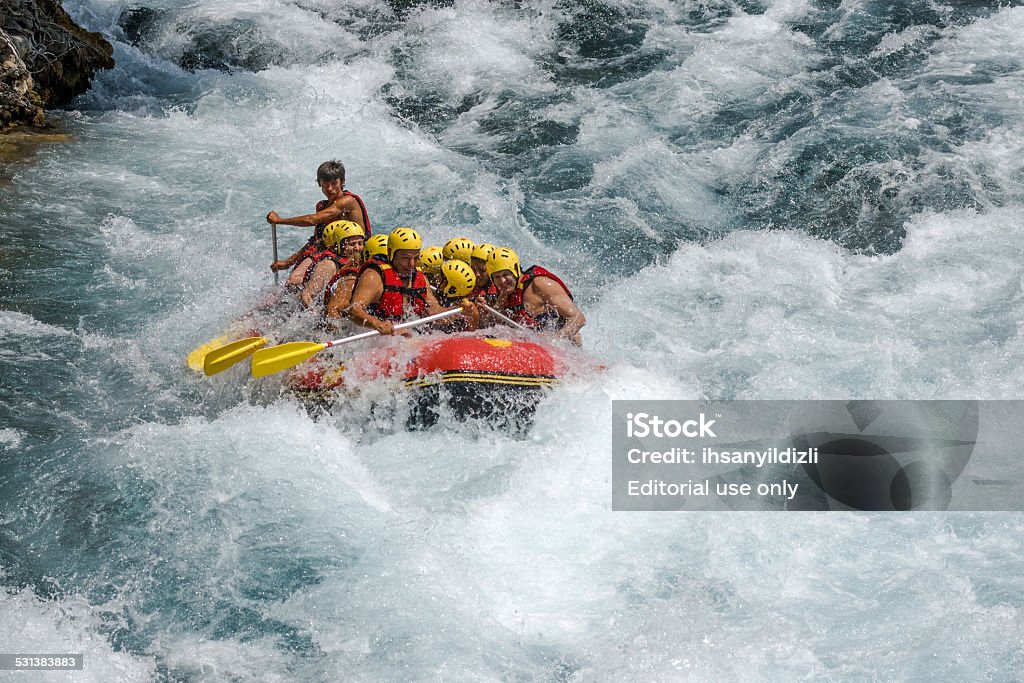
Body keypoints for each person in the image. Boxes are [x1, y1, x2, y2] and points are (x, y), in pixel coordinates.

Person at [348, 228, 476, 336]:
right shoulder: (374, 276)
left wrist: (458, 310)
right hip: (372, 338)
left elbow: (434, 312)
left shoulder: (418, 277)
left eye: (416, 258)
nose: (411, 264)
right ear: (391, 253)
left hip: (403, 339)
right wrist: (376, 324)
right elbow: (354, 311)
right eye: (405, 258)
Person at [266, 160, 371, 284]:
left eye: (334, 183)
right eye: (325, 184)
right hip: (331, 252)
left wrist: (280, 220)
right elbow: (317, 241)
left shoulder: (348, 201)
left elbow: (312, 219)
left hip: (354, 252)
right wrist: (288, 262)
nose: (330, 189)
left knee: (300, 283)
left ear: (342, 182)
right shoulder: (322, 206)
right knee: (293, 281)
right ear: (319, 184)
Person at [486, 247, 585, 345]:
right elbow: (494, 325)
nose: (502, 281)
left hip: (566, 348)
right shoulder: (503, 292)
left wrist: (553, 340)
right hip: (533, 347)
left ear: (515, 270)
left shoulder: (540, 285)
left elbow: (578, 318)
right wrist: (499, 304)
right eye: (497, 277)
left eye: (505, 274)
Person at [298, 220, 362, 309]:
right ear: (340, 246)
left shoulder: (359, 261)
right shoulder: (328, 265)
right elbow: (306, 295)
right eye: (352, 244)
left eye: (360, 243)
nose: (357, 248)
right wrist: (317, 317)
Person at [434, 259, 480, 332]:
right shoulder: (441, 296)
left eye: (443, 279)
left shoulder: (465, 307)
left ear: (451, 288)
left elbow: (472, 329)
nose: (438, 281)